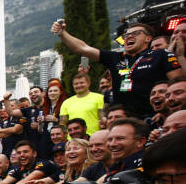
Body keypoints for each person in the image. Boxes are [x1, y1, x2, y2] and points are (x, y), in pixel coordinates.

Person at [52, 19, 182, 119]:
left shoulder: (160, 55)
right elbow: (82, 48)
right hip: (123, 119)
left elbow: (177, 84)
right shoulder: (116, 58)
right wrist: (62, 33)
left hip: (153, 115)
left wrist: (165, 111)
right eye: (126, 35)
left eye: (136, 33)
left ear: (148, 38)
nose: (129, 37)